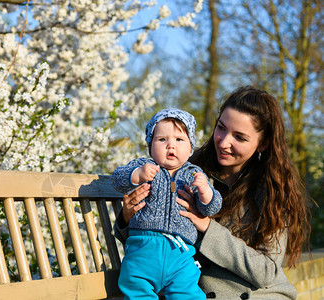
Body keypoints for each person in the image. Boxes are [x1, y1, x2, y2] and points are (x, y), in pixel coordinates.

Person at [113, 86, 310, 299]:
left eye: (240, 137)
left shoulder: (273, 192)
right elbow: (147, 244)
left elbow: (265, 272)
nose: (224, 142)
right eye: (221, 128)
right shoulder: (185, 167)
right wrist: (126, 217)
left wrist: (207, 227)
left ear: (262, 144)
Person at [111, 108, 222, 299]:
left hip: (180, 253)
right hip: (143, 248)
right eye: (162, 140)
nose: (171, 145)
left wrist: (205, 191)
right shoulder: (144, 166)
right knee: (136, 286)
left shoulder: (194, 174)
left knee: (187, 292)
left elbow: (211, 207)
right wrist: (136, 175)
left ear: (190, 148)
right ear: (150, 145)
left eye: (179, 140)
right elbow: (117, 179)